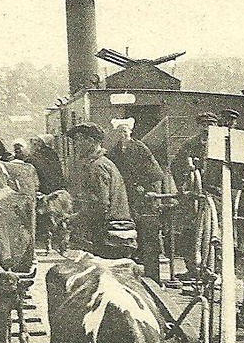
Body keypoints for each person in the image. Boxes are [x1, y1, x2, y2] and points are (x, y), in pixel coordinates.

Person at [106, 116, 174, 282]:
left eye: (125, 131)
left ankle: (152, 276)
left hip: (142, 197)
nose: (123, 134)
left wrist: (144, 186)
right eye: (120, 131)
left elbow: (155, 173)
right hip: (124, 196)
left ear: (130, 132)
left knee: (147, 235)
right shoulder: (114, 151)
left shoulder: (140, 148)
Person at [64, 122, 134, 258]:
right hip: (114, 232)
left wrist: (73, 219)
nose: (75, 145)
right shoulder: (102, 163)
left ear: (90, 142)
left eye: (78, 140)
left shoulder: (97, 167)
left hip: (110, 236)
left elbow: (99, 206)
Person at [170, 111, 220, 278]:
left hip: (215, 195)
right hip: (193, 196)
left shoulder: (222, 145)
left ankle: (213, 271)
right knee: (190, 232)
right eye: (204, 125)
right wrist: (184, 183)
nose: (207, 128)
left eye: (210, 125)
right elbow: (175, 166)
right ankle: (192, 269)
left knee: (214, 233)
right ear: (199, 126)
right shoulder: (190, 144)